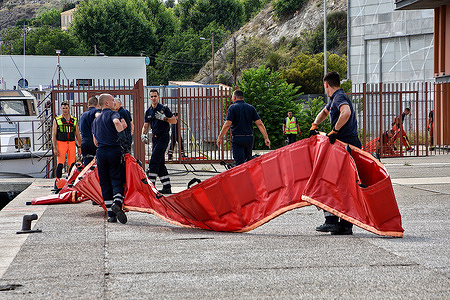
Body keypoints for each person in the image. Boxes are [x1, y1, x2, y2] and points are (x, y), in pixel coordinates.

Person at [308, 71, 362, 235]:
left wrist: (335, 131)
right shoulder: (335, 99)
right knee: (346, 185)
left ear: (326, 85)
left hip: (345, 145)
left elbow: (346, 113)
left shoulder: (339, 98)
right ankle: (345, 225)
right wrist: (315, 124)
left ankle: (331, 220)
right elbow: (325, 112)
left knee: (328, 181)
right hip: (348, 144)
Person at [92, 93, 129, 224]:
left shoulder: (96, 120)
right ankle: (117, 203)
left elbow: (95, 141)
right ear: (106, 103)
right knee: (116, 178)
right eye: (112, 100)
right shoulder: (113, 114)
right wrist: (123, 137)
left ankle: (111, 215)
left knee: (105, 183)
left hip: (101, 152)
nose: (115, 103)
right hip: (113, 150)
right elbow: (116, 122)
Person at [216, 89, 271, 166]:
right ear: (242, 97)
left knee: (239, 164)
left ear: (234, 97)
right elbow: (260, 124)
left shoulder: (233, 108)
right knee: (248, 162)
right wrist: (266, 137)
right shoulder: (251, 108)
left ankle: (241, 177)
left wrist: (220, 137)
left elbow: (227, 124)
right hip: (249, 139)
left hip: (238, 139)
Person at [141, 89, 177, 194]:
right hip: (155, 138)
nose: (153, 98)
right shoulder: (148, 111)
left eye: (155, 96)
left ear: (158, 97)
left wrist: (164, 118)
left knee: (154, 161)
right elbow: (146, 125)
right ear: (149, 98)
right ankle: (167, 187)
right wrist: (143, 134)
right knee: (160, 163)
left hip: (163, 137)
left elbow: (174, 120)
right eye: (151, 96)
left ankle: (150, 187)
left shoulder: (163, 109)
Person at [52, 101, 81, 187]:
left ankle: (70, 181)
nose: (65, 110)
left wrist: (79, 146)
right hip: (61, 143)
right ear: (61, 109)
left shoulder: (74, 120)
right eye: (63, 108)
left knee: (72, 163)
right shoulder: (57, 120)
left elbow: (77, 133)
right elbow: (54, 134)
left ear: (69, 108)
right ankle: (58, 182)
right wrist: (55, 147)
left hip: (71, 143)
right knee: (60, 163)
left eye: (66, 108)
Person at [79, 96, 101, 166]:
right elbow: (98, 117)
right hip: (94, 142)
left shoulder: (83, 115)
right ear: (97, 105)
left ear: (88, 105)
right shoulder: (97, 111)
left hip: (84, 142)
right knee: (97, 166)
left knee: (87, 167)